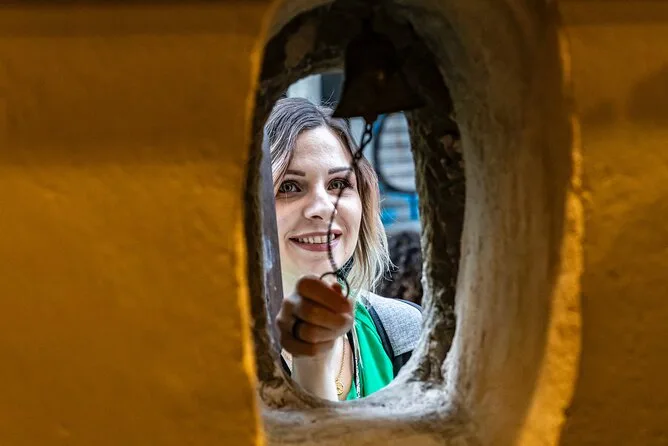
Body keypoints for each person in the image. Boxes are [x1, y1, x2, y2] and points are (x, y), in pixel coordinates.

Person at [264, 97, 422, 401]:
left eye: (338, 184)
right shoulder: (215, 353)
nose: (323, 207)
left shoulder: (406, 334)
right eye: (289, 187)